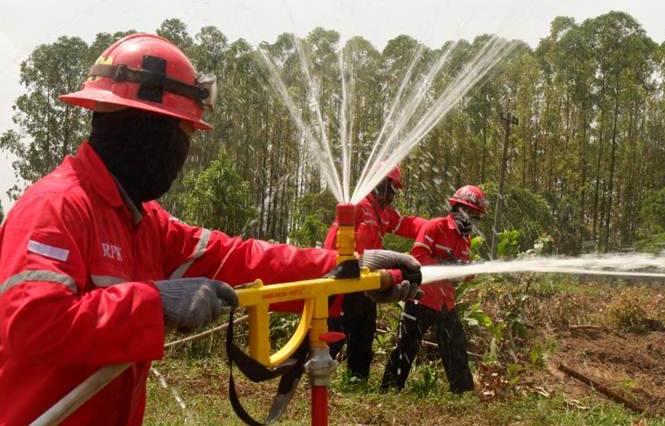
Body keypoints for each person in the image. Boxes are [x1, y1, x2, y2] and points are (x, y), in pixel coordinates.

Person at [0, 33, 421, 425]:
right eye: (185, 135)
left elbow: (235, 259)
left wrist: (346, 271)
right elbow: (32, 324)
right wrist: (152, 303)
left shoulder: (142, 222)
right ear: (149, 130)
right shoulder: (56, 208)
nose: (183, 155)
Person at [323, 165, 427, 380]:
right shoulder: (358, 206)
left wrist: (434, 226)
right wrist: (331, 273)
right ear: (379, 184)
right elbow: (333, 241)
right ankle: (312, 375)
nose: (392, 195)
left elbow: (407, 225)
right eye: (391, 189)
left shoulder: (383, 214)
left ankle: (357, 379)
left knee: (364, 332)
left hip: (368, 283)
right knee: (336, 331)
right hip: (346, 281)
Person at [380, 185, 487, 393]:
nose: (473, 219)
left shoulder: (465, 240)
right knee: (407, 346)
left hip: (446, 303)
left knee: (455, 347)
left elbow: (457, 273)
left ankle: (463, 393)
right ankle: (389, 390)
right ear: (460, 209)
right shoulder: (434, 227)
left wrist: (466, 273)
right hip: (421, 299)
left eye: (476, 216)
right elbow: (418, 256)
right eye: (472, 213)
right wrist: (447, 265)